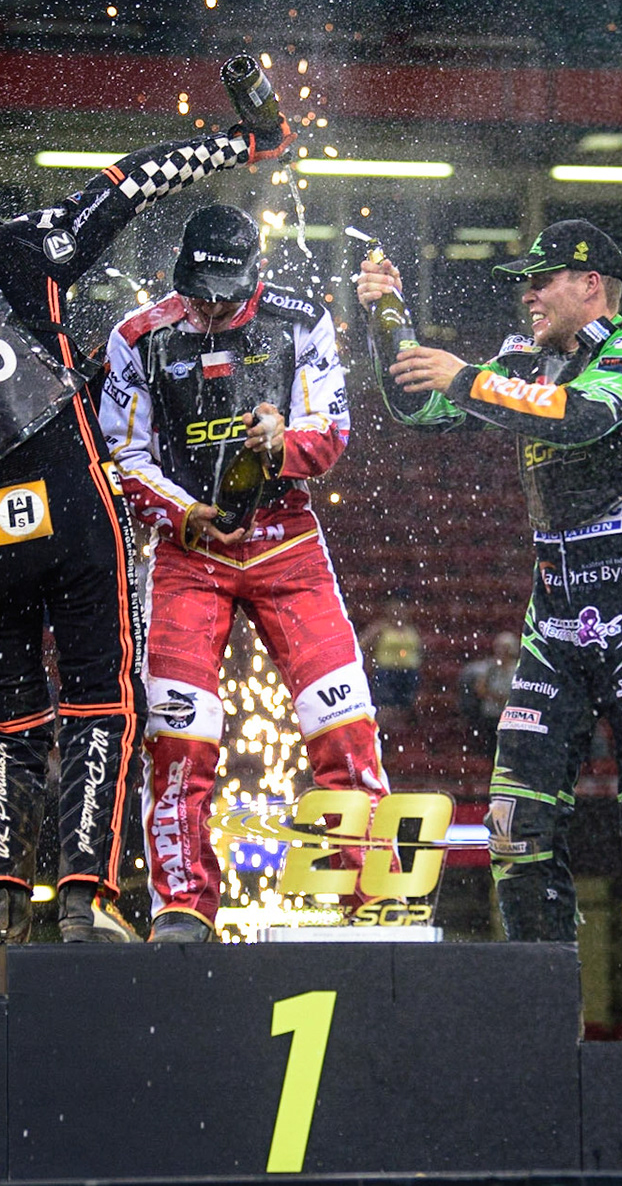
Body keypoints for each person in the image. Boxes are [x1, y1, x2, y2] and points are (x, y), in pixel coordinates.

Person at [0, 91, 289, 946]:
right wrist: (239, 144)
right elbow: (129, 183)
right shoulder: (11, 251)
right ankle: (83, 899)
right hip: (68, 497)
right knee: (101, 699)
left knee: (4, 719)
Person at [359, 219, 622, 1040]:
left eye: (542, 279)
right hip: (552, 624)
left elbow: (581, 416)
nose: (527, 293)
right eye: (525, 280)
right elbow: (419, 408)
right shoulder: (523, 362)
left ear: (592, 285)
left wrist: (468, 377)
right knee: (514, 826)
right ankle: (543, 1011)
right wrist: (387, 321)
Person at [99, 203, 389, 942]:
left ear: (254, 278)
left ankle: (371, 894)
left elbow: (332, 429)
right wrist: (183, 511)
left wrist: (281, 442)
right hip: (187, 552)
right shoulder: (139, 335)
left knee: (343, 722)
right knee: (180, 739)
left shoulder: (300, 318)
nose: (210, 305)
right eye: (198, 290)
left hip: (286, 539)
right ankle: (183, 905)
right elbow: (121, 457)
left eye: (225, 293)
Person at [358, 593, 424, 738]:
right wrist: (369, 661)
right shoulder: (381, 628)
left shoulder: (411, 629)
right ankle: (382, 736)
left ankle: (400, 738)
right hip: (387, 673)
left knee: (404, 708)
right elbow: (361, 644)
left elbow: (419, 650)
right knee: (387, 707)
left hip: (409, 673)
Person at [459, 631, 520, 755]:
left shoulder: (517, 670)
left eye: (505, 648)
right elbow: (480, 689)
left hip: (509, 717)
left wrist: (496, 696)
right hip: (491, 715)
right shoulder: (490, 667)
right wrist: (498, 697)